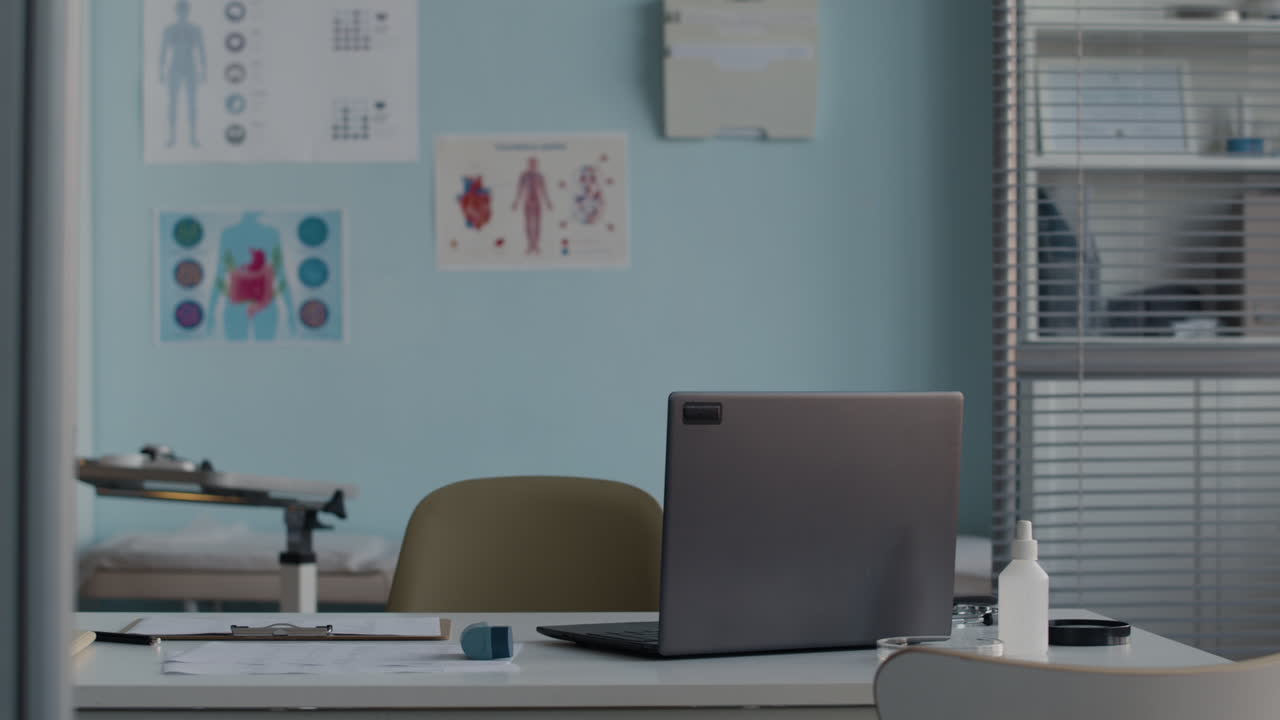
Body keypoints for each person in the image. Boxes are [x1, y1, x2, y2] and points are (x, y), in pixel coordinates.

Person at [159, 0, 206, 148]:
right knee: (172, 104)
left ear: (187, 12)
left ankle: (193, 137)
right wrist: (160, 70)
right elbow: (163, 50)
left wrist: (204, 70)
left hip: (190, 67)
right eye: (180, 11)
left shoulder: (195, 29)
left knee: (192, 104)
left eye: (184, 11)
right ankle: (172, 136)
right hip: (174, 68)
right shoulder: (169, 29)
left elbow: (202, 51)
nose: (182, 14)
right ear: (177, 12)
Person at [512, 156, 553, 254]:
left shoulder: (540, 176)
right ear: (528, 164)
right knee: (528, 224)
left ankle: (536, 245)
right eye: (531, 163)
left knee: (537, 224)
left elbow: (544, 191)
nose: (533, 165)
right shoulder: (523, 176)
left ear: (537, 165)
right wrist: (516, 202)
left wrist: (548, 202)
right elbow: (519, 190)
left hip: (537, 202)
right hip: (527, 202)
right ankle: (530, 245)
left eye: (534, 164)